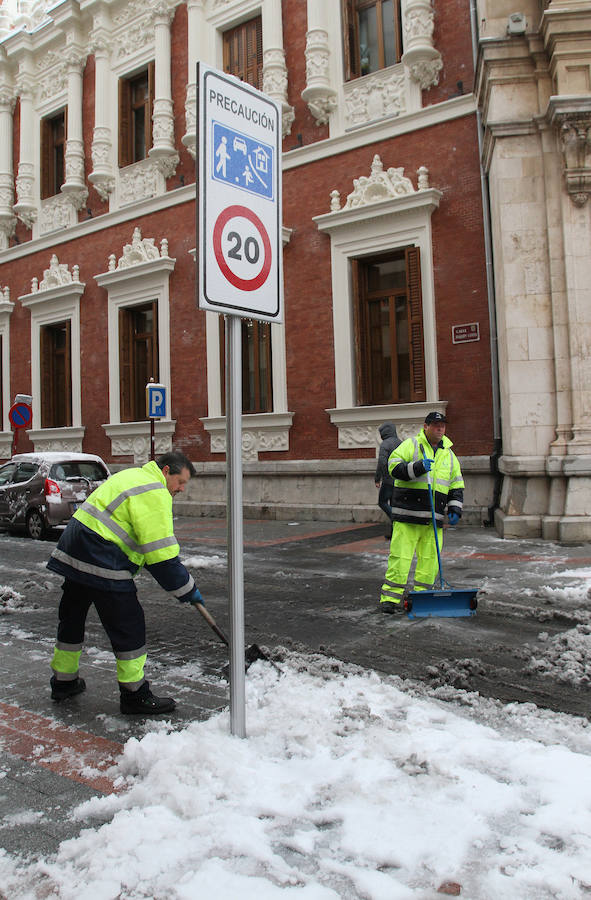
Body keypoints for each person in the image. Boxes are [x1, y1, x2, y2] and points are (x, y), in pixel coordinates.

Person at [47, 450, 204, 714]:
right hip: (101, 556)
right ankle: (135, 695)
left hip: (75, 549)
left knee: (72, 617)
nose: (182, 489)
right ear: (166, 472)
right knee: (128, 624)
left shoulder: (133, 475)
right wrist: (188, 591)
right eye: (181, 482)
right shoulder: (154, 491)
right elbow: (161, 557)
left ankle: (63, 682)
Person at [379, 411, 464, 613]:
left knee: (430, 561)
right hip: (408, 515)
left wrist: (455, 508)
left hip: (433, 520)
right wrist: (416, 467)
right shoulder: (411, 445)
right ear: (425, 426)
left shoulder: (450, 455)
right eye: (435, 425)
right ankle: (390, 599)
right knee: (400, 558)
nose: (440, 428)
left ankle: (422, 598)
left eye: (442, 425)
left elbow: (456, 484)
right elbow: (393, 466)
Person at [374, 422, 401, 539]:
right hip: (400, 480)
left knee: (382, 502)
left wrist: (379, 478)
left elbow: (382, 462)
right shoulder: (401, 443)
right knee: (394, 505)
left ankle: (397, 519)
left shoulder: (385, 444)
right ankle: (394, 533)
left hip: (389, 480)